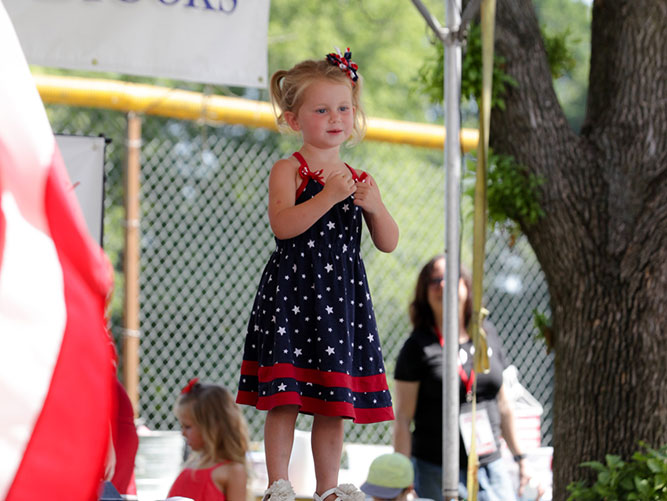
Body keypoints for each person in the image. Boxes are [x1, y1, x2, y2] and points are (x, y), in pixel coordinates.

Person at [236, 48, 399, 501]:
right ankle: (279, 485)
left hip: (341, 300)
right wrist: (327, 197)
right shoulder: (289, 169)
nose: (336, 118)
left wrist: (374, 206)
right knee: (285, 394)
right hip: (294, 294)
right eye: (322, 109)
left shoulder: (360, 178)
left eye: (344, 108)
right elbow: (284, 226)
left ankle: (330, 488)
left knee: (333, 403)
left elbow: (388, 241)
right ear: (293, 119)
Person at [393, 255, 530, 501]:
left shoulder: (485, 334)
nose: (442, 285)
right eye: (434, 280)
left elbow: (504, 404)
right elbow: (403, 417)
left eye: (450, 278)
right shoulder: (417, 346)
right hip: (435, 468)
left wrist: (521, 458)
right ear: (424, 293)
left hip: (491, 465)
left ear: (466, 286)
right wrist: (403, 477)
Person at [168, 378, 249, 501]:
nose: (183, 433)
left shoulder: (233, 470)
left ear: (212, 427)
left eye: (188, 426)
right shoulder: (192, 463)